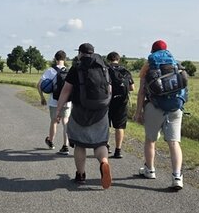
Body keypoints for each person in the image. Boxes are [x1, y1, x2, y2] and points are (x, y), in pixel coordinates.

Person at [54, 43, 112, 188]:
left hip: (80, 110)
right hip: (101, 110)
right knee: (100, 143)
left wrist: (58, 110)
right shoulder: (103, 67)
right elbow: (109, 89)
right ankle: (104, 162)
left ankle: (80, 175)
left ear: (80, 53)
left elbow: (66, 90)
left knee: (80, 144)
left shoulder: (77, 67)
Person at [133, 40, 185, 190]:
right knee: (174, 142)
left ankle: (150, 169)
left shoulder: (149, 66)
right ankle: (177, 177)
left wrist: (138, 112)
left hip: (154, 107)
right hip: (175, 107)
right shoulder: (175, 64)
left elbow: (142, 91)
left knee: (150, 140)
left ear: (152, 51)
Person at [37, 50, 71, 153]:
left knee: (54, 121)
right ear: (64, 59)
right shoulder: (69, 71)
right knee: (65, 121)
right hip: (66, 101)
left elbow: (39, 85)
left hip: (54, 101)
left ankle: (50, 142)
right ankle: (65, 146)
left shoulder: (50, 71)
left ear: (55, 59)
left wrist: (42, 97)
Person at [106, 51, 134, 158]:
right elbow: (132, 88)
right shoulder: (125, 71)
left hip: (108, 101)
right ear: (119, 59)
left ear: (108, 60)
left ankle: (106, 146)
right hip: (122, 102)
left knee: (106, 125)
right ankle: (118, 150)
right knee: (120, 127)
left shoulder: (107, 70)